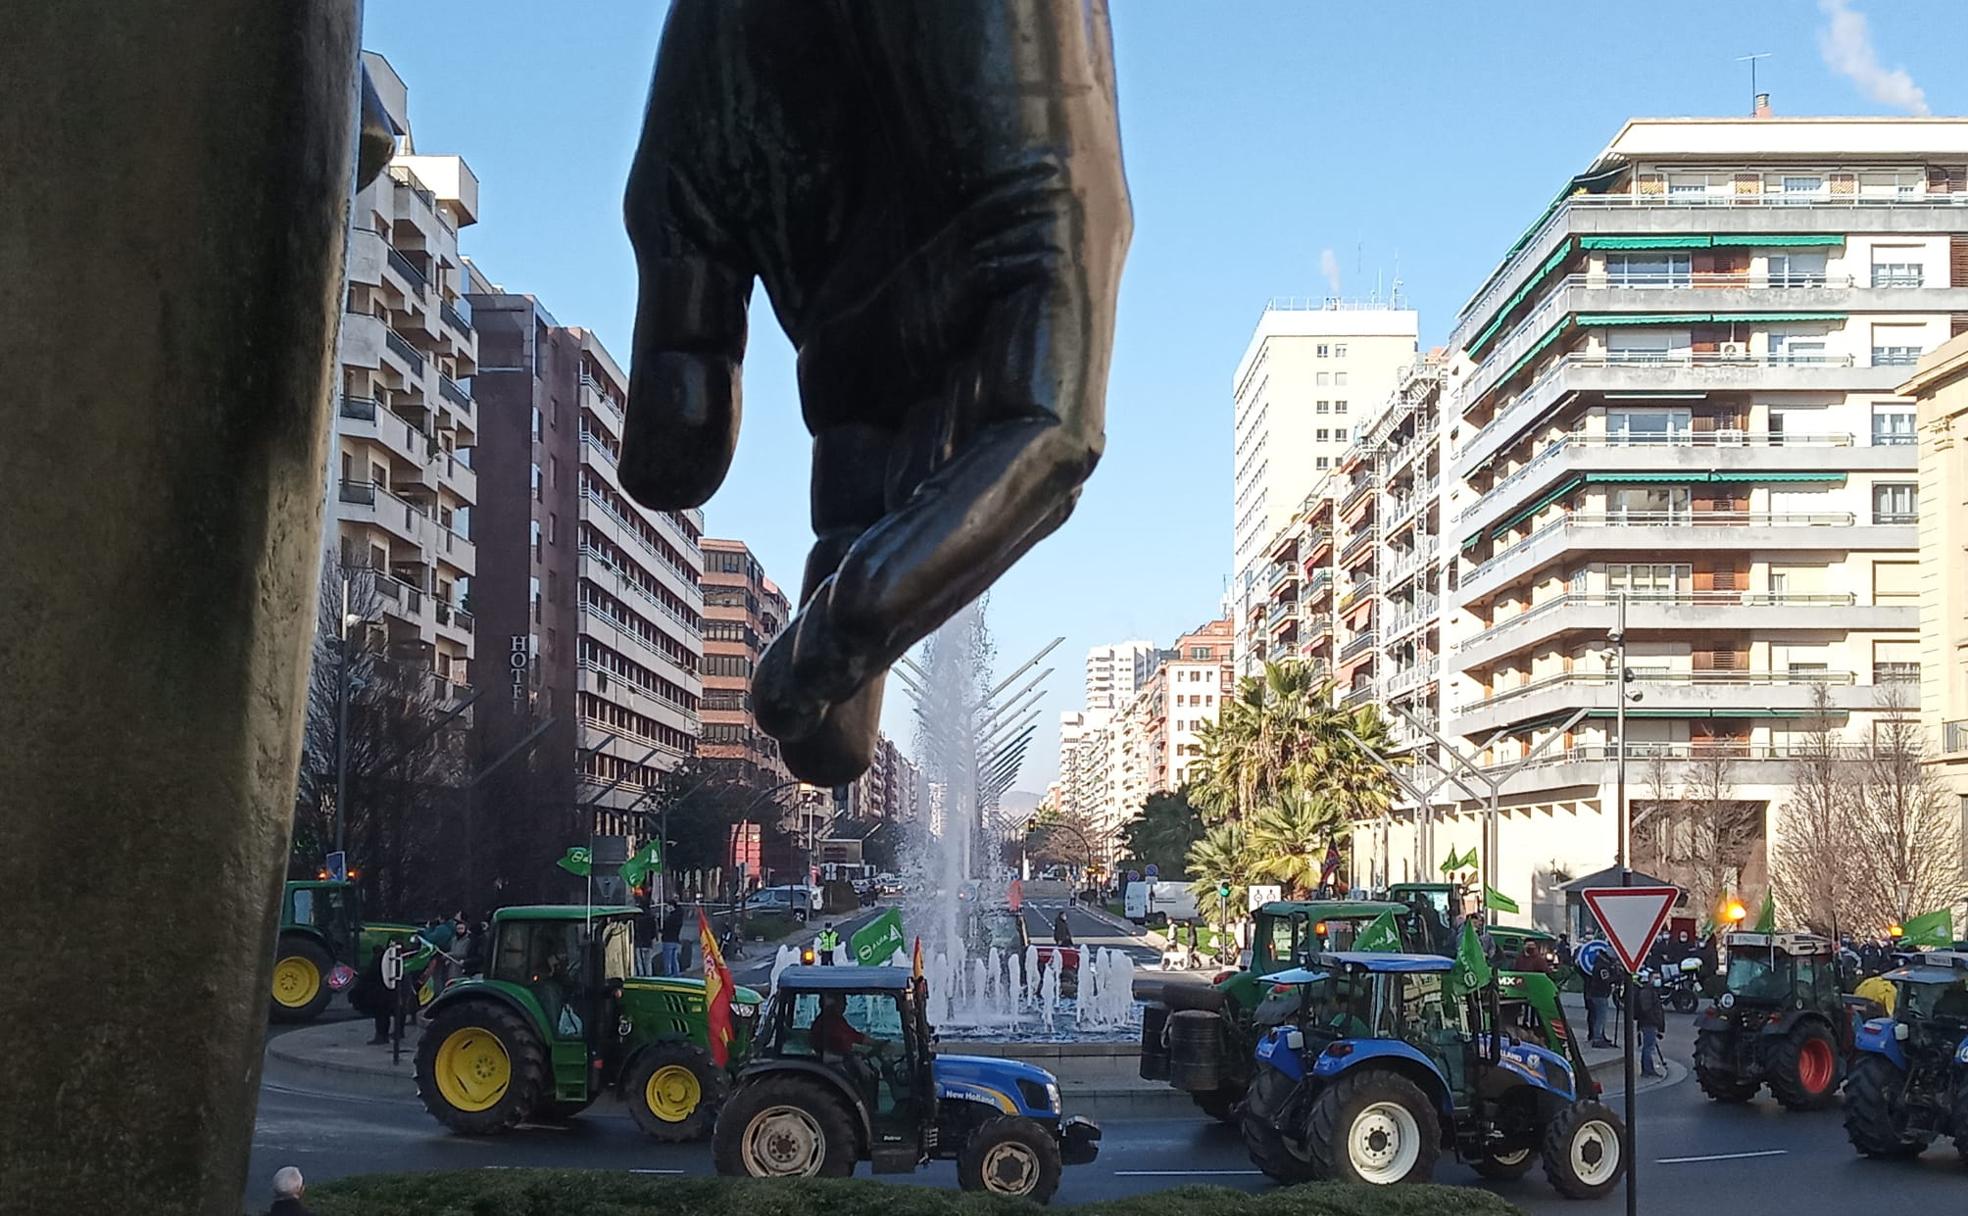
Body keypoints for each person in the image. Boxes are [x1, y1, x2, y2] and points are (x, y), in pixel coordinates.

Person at [1631, 969, 1666, 1077]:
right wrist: (1655, 1021)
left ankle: (1649, 1069)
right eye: (1655, 978)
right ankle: (1647, 1070)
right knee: (1648, 1048)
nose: (1658, 980)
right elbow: (1646, 1009)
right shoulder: (1646, 992)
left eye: (1659, 978)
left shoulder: (1652, 991)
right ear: (1649, 979)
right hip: (1648, 1023)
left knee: (1649, 1047)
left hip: (1650, 1023)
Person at [1582, 944, 1617, 1049]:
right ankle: (1597, 1038)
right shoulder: (1602, 966)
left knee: (1600, 1017)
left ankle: (1601, 1036)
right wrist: (1616, 977)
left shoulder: (1602, 964)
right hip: (1599, 994)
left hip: (1599, 994)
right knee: (1600, 1017)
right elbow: (1606, 980)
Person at [659, 898, 685, 976]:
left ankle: (668, 975)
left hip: (667, 940)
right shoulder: (679, 917)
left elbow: (665, 928)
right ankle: (676, 974)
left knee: (667, 960)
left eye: (667, 906)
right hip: (675, 940)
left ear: (671, 906)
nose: (666, 908)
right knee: (674, 959)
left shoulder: (671, 918)